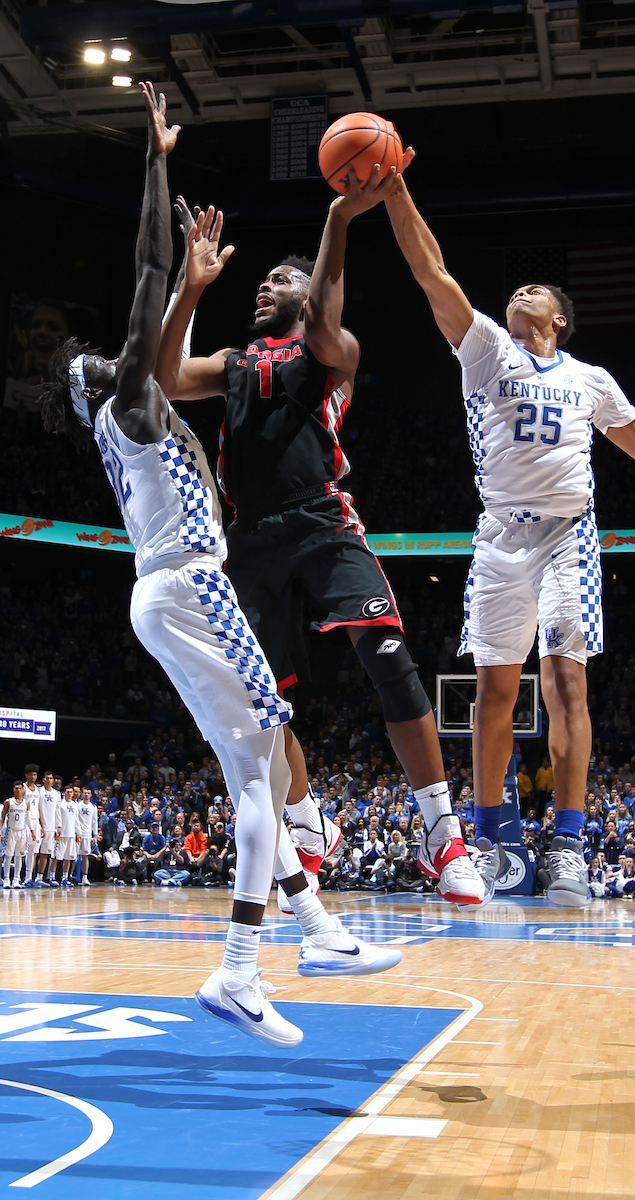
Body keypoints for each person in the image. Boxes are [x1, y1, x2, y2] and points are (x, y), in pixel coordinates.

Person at [40, 84, 400, 1050]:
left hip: (165, 594)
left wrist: (195, 286)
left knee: (250, 770)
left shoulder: (136, 421)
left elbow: (165, 319)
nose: (107, 362)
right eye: (98, 363)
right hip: (193, 583)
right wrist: (157, 159)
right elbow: (147, 270)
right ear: (99, 389)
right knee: (268, 761)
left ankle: (302, 936)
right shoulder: (133, 410)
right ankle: (258, 957)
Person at [381, 161, 635, 908]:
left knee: (566, 679)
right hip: (499, 537)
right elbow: (429, 268)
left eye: (533, 292)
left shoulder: (592, 379)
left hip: (568, 535)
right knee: (491, 693)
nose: (518, 294)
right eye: (515, 289)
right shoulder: (484, 348)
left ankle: (568, 844)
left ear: (559, 318)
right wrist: (395, 189)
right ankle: (499, 839)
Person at [155, 165, 505, 912]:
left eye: (278, 279)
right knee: (263, 702)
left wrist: (341, 220)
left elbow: (321, 322)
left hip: (321, 520)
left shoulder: (330, 350)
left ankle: (441, 833)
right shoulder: (236, 363)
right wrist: (190, 286)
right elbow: (164, 377)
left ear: (308, 292)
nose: (261, 286)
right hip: (248, 540)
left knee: (388, 658)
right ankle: (309, 826)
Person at [1, 783, 29, 889]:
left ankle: (16, 879)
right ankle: (7, 879)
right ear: (13, 789)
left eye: (20, 788)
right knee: (8, 855)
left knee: (19, 856)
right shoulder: (8, 802)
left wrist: (32, 831)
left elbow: (28, 818)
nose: (18, 790)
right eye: (16, 788)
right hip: (11, 830)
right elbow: (2, 817)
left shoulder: (26, 803)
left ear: (23, 790)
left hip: (22, 831)